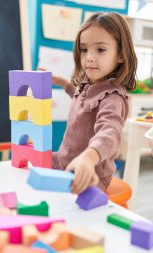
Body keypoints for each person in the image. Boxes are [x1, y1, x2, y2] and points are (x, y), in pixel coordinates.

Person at [45, 12, 137, 195]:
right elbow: (80, 98)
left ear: (121, 55)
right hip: (66, 162)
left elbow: (110, 132)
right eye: (84, 49)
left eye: (100, 50)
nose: (89, 58)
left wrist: (89, 157)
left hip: (91, 174)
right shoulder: (88, 86)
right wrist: (62, 82)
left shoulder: (113, 98)